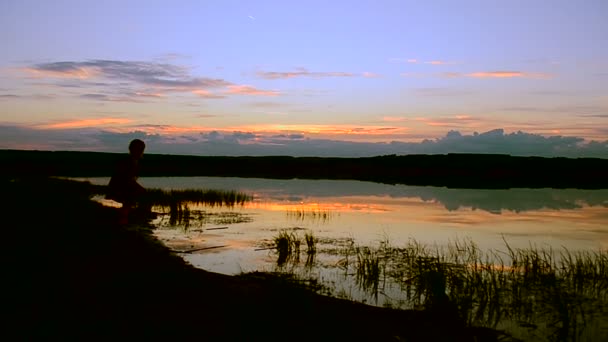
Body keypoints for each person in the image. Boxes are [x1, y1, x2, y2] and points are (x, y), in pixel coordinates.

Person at [106, 139, 147, 224]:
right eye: (138, 149)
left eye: (141, 149)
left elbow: (130, 180)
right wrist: (141, 189)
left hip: (123, 188)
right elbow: (126, 179)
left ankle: (127, 219)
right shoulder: (128, 162)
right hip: (119, 189)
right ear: (131, 149)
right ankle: (124, 221)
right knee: (129, 201)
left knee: (130, 202)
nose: (140, 151)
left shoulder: (134, 161)